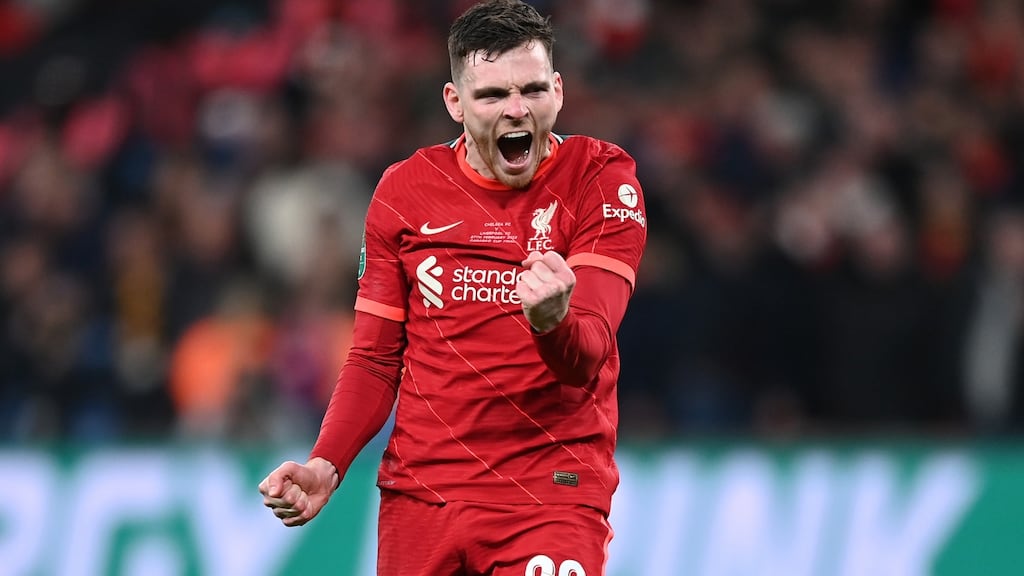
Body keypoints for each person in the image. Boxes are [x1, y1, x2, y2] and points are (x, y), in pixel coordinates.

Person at [259, 1, 647, 573]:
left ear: (559, 92)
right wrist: (327, 463)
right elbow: (373, 358)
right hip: (423, 495)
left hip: (549, 492)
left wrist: (552, 321)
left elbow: (585, 357)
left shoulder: (600, 180)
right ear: (454, 103)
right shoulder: (405, 191)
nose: (517, 111)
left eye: (533, 90)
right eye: (492, 96)